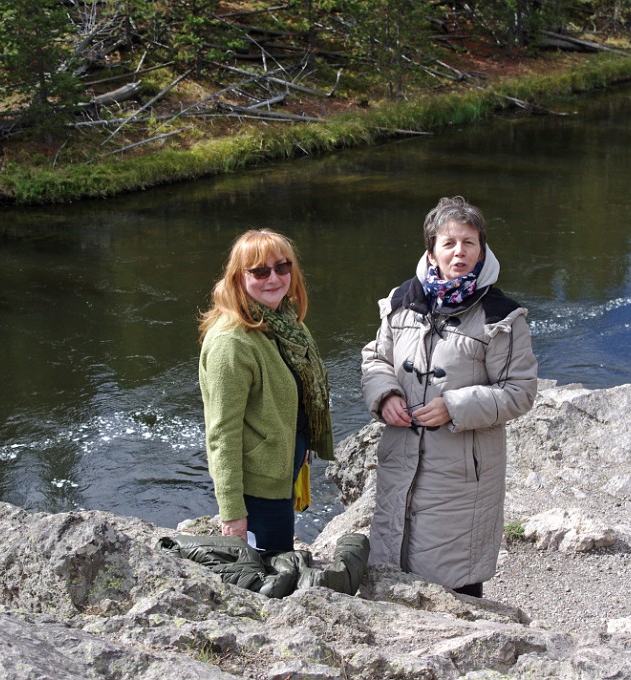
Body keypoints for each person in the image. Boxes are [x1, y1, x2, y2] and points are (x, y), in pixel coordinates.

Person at [360, 196, 538, 597]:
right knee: (393, 565)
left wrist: (454, 406)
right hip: (401, 457)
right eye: (449, 242)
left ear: (482, 250)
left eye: (469, 242)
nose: (459, 251)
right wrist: (385, 394)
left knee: (454, 582)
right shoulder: (401, 301)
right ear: (432, 251)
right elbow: (375, 357)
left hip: (464, 475)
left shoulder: (501, 317)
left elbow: (519, 391)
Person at [198, 229, 334, 553]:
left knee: (281, 559)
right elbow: (222, 434)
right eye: (259, 271)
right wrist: (232, 514)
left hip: (284, 467)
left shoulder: (286, 324)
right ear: (237, 278)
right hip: (257, 490)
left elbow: (296, 400)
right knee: (269, 573)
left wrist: (301, 447)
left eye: (282, 267)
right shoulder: (230, 343)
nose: (273, 277)